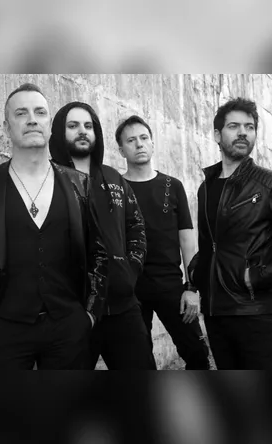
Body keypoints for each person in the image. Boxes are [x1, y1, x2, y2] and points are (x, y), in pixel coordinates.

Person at [0, 83, 107, 370]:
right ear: (6, 127)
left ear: (50, 125)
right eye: (21, 113)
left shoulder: (80, 184)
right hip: (4, 329)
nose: (32, 119)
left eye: (40, 112)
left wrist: (89, 315)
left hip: (69, 328)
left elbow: (98, 253)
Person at [187, 97, 272, 370]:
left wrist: (261, 276)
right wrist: (192, 283)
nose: (243, 133)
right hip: (215, 313)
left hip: (254, 313)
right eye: (234, 126)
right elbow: (210, 246)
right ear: (217, 135)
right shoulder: (206, 188)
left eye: (249, 127)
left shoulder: (271, 184)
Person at [49, 102, 157, 370]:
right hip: (71, 311)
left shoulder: (113, 177)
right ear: (60, 132)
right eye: (73, 126)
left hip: (121, 305)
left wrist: (130, 269)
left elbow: (136, 226)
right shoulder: (47, 178)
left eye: (88, 126)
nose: (82, 131)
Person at [116, 115, 210, 370]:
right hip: (130, 288)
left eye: (144, 138)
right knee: (137, 360)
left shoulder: (172, 185)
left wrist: (192, 287)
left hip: (170, 285)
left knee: (197, 354)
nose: (139, 144)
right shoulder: (116, 188)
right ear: (121, 149)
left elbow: (187, 240)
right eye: (131, 140)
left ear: (152, 143)